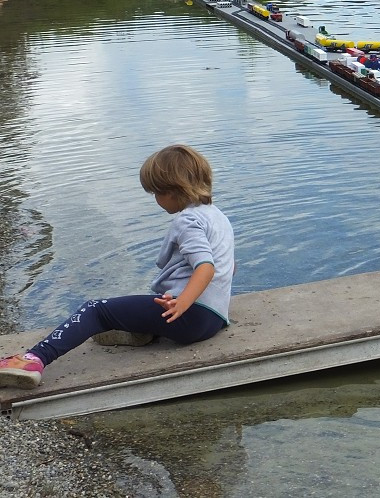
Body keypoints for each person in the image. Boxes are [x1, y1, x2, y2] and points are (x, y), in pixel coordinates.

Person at [0, 145, 235, 389]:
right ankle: (139, 330)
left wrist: (182, 302)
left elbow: (206, 267)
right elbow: (228, 266)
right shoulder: (217, 216)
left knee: (96, 310)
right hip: (215, 318)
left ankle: (33, 359)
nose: (155, 199)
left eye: (156, 192)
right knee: (142, 307)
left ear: (173, 190)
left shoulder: (187, 220)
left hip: (190, 317)